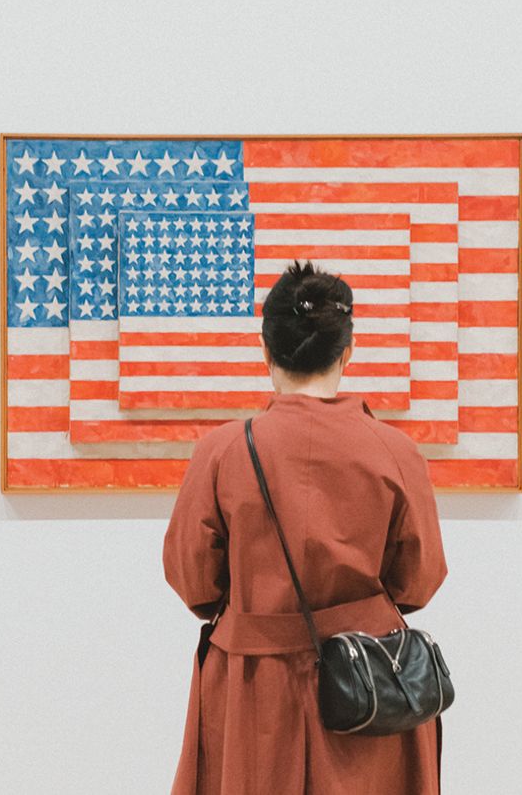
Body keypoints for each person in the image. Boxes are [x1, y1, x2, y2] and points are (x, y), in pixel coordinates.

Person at [162, 260, 448, 795]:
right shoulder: (398, 453)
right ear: (347, 351)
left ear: (267, 352)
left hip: (253, 685)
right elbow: (420, 579)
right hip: (370, 682)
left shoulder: (221, 452)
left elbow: (194, 578)